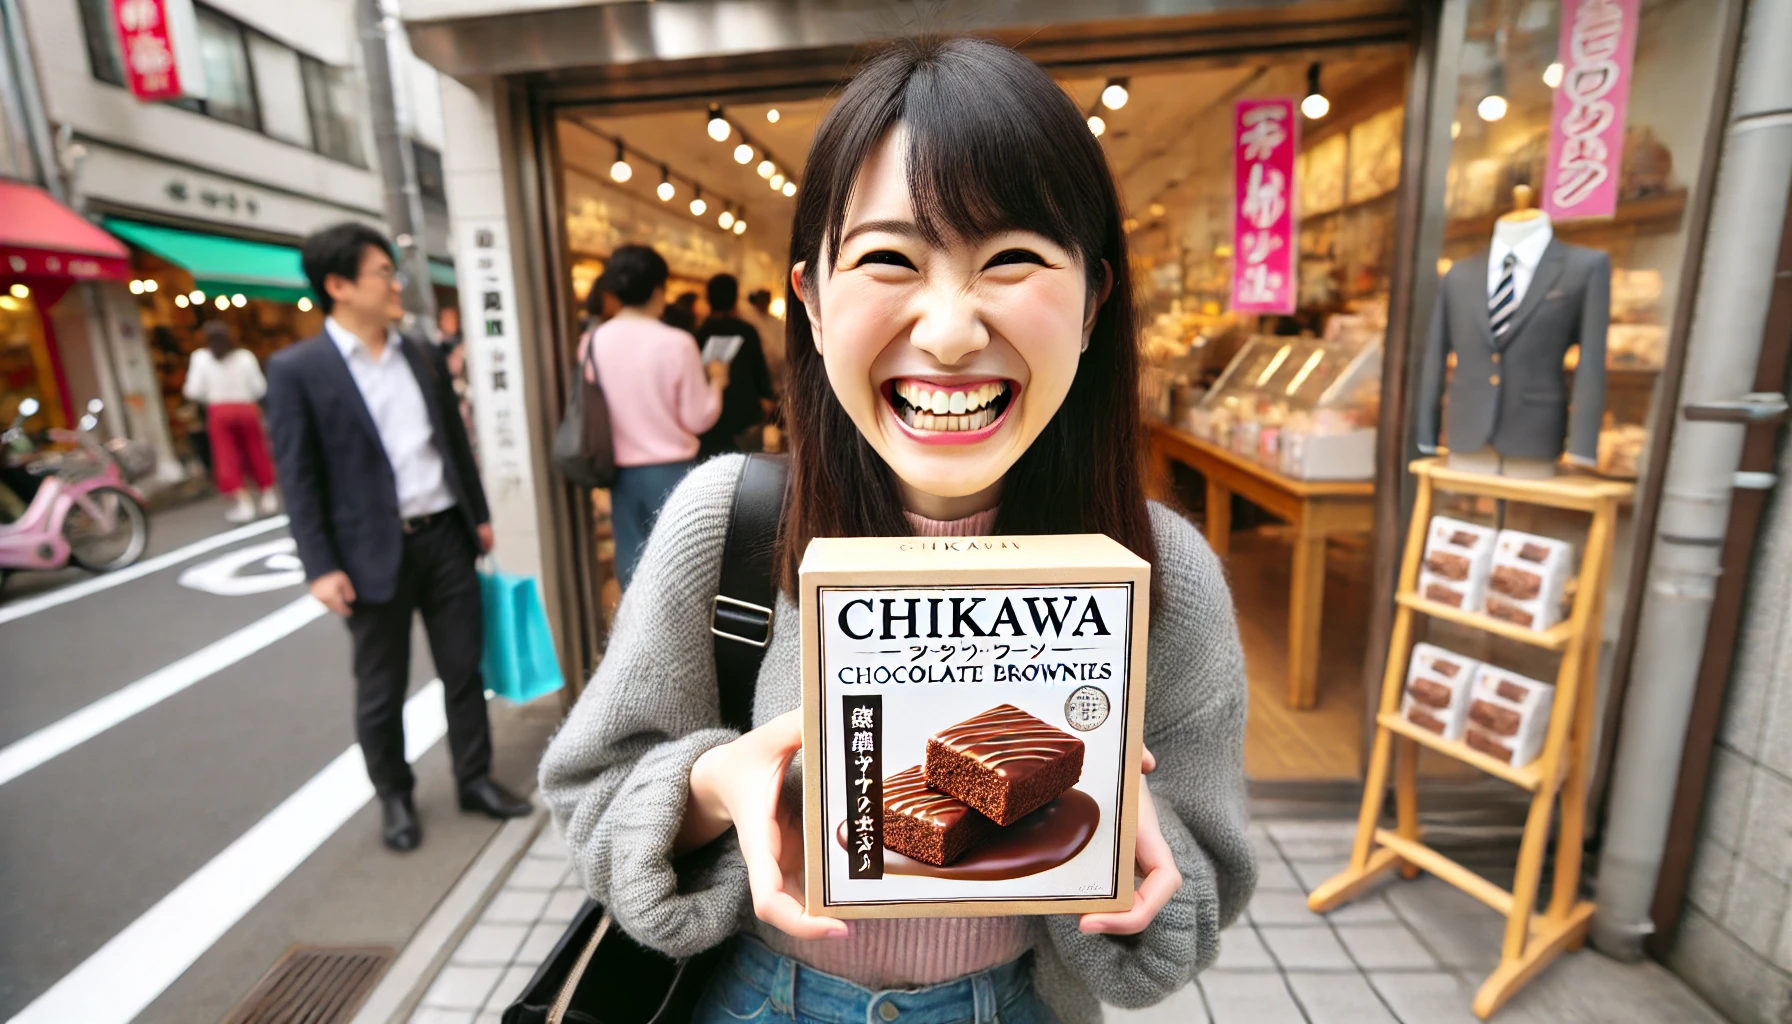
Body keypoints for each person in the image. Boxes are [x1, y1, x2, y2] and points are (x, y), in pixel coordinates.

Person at [539, 37, 1254, 1024]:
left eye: (1011, 259)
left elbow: (1193, 904)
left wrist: (1115, 841)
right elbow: (592, 794)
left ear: (1092, 301)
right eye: (886, 259)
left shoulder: (1162, 570)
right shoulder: (731, 526)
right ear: (814, 301)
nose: (950, 330)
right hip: (757, 997)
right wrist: (710, 785)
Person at [266, 222, 531, 853]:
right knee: (381, 688)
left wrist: (477, 513)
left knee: (463, 669)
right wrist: (319, 565)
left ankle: (475, 778)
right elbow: (297, 478)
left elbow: (451, 443)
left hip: (444, 534)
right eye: (382, 272)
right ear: (338, 286)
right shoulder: (297, 370)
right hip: (366, 553)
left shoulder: (419, 351)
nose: (395, 284)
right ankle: (394, 796)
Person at [580, 246, 728, 587]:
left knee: (633, 578)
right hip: (673, 474)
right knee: (682, 575)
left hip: (617, 475)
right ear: (659, 289)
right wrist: (717, 383)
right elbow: (697, 418)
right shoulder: (677, 343)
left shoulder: (591, 342)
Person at [183, 320, 277, 522]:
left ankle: (244, 504)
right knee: (257, 450)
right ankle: (268, 495)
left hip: (219, 411)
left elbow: (193, 390)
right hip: (246, 408)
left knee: (227, 456)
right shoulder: (245, 357)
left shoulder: (201, 358)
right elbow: (260, 388)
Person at [694, 273, 777, 457]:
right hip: (745, 413)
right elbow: (759, 369)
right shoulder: (746, 330)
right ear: (735, 298)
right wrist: (767, 398)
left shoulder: (700, 331)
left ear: (709, 298)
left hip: (710, 415)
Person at [743, 286, 787, 391]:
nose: (764, 302)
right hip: (760, 372)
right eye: (761, 299)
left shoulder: (776, 322)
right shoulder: (750, 321)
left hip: (780, 374)